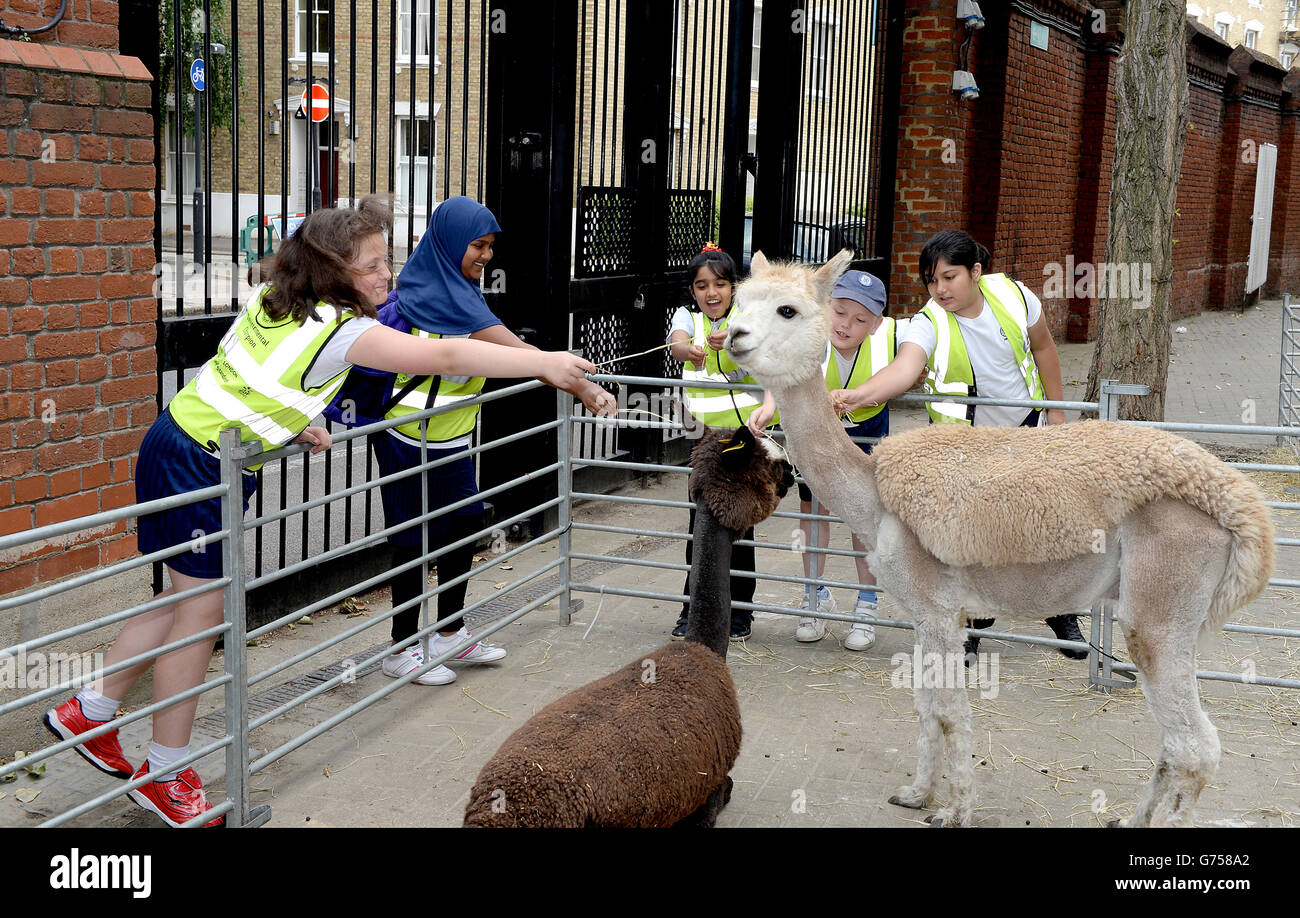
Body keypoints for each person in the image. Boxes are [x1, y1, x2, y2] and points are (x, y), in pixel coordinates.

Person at [43, 196, 596, 827]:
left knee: (177, 603)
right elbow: (446, 356)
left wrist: (294, 421)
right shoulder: (348, 331)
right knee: (200, 617)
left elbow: (248, 374)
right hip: (201, 464)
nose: (388, 276)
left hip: (178, 441)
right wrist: (544, 362)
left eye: (387, 261)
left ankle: (90, 711)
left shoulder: (277, 299)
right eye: (372, 266)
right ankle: (166, 769)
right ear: (334, 271)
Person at [358, 197, 615, 686]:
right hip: (409, 436)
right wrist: (579, 383)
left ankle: (449, 633)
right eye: (478, 245)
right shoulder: (433, 295)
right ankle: (402, 647)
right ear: (451, 243)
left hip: (450, 436)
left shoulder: (462, 290)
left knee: (464, 523)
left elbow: (515, 353)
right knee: (413, 541)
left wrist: (573, 379)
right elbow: (515, 352)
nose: (486, 256)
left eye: (491, 247)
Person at [831, 229, 1086, 659]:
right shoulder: (927, 322)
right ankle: (971, 628)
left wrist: (1057, 414)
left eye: (950, 277)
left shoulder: (1016, 295)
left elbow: (1044, 348)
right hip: (967, 449)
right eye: (932, 280)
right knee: (972, 540)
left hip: (1028, 430)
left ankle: (1062, 614)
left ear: (976, 272)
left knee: (1046, 528)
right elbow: (905, 368)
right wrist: (860, 395)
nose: (940, 289)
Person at [748, 270, 900, 651]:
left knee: (865, 516)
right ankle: (814, 596)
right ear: (826, 307)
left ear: (877, 323)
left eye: (860, 318)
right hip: (814, 435)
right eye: (840, 311)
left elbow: (912, 371)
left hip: (864, 433)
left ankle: (866, 605)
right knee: (812, 510)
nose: (846, 325)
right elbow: (782, 373)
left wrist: (861, 395)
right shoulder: (811, 334)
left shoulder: (894, 340)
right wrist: (770, 407)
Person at [667, 244, 773, 642]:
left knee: (739, 524)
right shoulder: (687, 318)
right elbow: (676, 343)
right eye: (702, 285)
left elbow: (754, 352)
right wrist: (688, 350)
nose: (712, 293)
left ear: (734, 287)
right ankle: (691, 610)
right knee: (701, 526)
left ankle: (740, 613)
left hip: (744, 438)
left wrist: (730, 339)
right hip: (700, 440)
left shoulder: (746, 320)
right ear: (692, 291)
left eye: (721, 284)